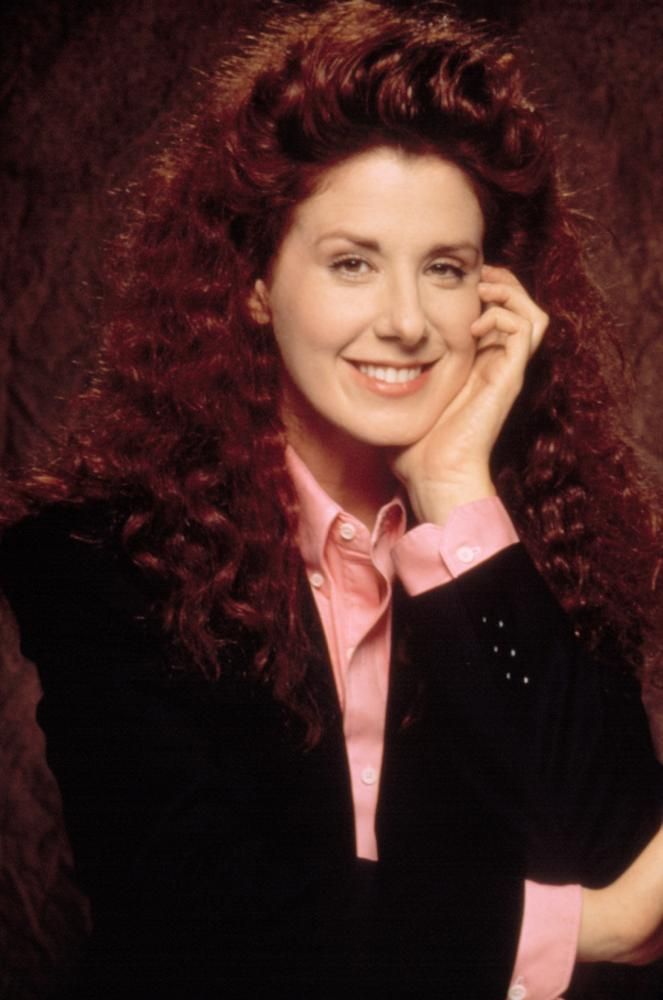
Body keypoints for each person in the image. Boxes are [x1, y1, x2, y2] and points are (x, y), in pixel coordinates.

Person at [1, 1, 662, 997]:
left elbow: (614, 846)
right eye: (352, 263)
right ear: (255, 282)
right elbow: (193, 912)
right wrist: (583, 929)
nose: (406, 321)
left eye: (445, 269)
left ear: (494, 299)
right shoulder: (98, 555)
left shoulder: (538, 556)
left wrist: (452, 488)